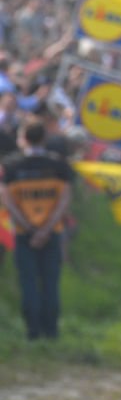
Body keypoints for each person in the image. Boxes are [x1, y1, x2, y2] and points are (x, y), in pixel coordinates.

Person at [0, 118, 73, 339]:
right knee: (51, 284)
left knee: (29, 283)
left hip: (24, 235)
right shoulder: (59, 166)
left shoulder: (12, 166)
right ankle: (51, 333)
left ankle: (32, 333)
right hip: (52, 233)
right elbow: (64, 200)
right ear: (45, 138)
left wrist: (29, 228)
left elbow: (7, 201)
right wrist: (47, 229)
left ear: (23, 138)